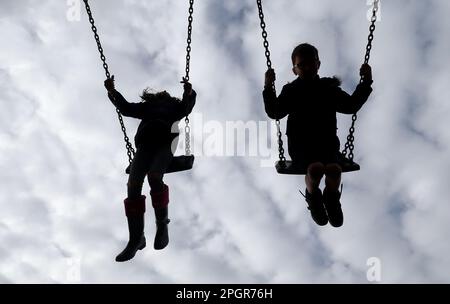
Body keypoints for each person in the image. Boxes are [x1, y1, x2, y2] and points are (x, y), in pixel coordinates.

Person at [263, 43, 373, 227]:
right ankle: (313, 197)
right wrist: (268, 86)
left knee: (334, 170)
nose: (307, 67)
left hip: (327, 144)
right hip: (301, 146)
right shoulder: (291, 91)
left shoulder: (328, 88)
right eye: (301, 64)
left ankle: (331, 199)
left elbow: (351, 105)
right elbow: (275, 111)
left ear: (318, 64)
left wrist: (366, 81)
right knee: (314, 169)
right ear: (294, 70)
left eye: (311, 63)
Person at [104, 75, 196, 261]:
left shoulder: (175, 108)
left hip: (166, 142)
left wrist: (188, 92)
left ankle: (162, 225)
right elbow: (126, 108)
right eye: (160, 93)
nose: (163, 93)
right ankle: (136, 238)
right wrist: (112, 91)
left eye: (166, 93)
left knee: (154, 177)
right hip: (145, 144)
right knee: (133, 185)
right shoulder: (147, 107)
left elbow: (187, 107)